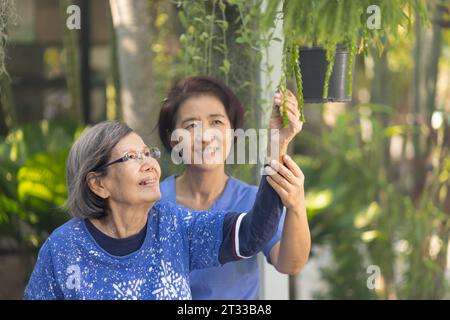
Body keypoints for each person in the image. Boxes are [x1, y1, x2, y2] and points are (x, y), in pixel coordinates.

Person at [24, 95, 301, 299]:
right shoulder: (63, 248)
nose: (149, 164)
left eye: (148, 153)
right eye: (132, 157)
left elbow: (252, 235)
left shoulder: (175, 227)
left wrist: (276, 145)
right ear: (98, 184)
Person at [158, 76, 310, 299]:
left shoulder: (252, 201)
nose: (206, 137)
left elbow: (290, 263)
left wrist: (296, 206)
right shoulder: (154, 201)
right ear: (173, 140)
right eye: (191, 125)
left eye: (216, 122)